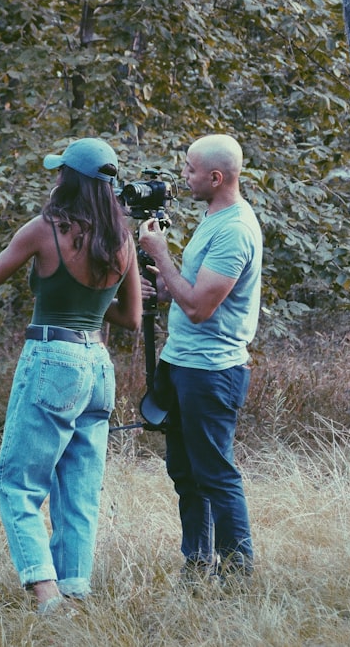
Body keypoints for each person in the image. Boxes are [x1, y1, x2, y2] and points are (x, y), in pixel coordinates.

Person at [0, 137, 142, 613]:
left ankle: (46, 595)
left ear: (70, 179)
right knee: (79, 490)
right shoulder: (123, 238)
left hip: (52, 358)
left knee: (18, 482)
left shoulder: (46, 230)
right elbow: (130, 320)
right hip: (97, 366)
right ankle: (75, 592)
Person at [137, 134, 262, 585]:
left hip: (212, 370)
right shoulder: (213, 218)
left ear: (215, 177)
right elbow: (186, 293)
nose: (183, 177)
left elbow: (200, 308)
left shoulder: (235, 230)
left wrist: (161, 255)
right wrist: (163, 282)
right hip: (183, 361)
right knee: (185, 471)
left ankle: (237, 573)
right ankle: (197, 564)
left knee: (214, 473)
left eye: (190, 170)